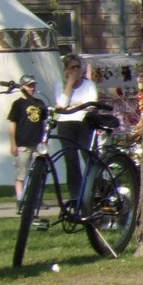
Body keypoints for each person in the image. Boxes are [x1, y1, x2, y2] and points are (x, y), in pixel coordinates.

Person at [55, 54, 98, 197]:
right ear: (66, 70)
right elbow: (62, 105)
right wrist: (69, 85)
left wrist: (74, 106)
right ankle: (75, 195)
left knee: (89, 156)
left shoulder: (89, 85)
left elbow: (91, 104)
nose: (75, 70)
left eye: (78, 67)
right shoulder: (60, 85)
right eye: (72, 68)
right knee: (71, 159)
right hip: (65, 123)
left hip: (84, 122)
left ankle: (95, 190)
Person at [8, 75, 48, 209]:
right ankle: (20, 200)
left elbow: (44, 122)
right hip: (23, 144)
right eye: (29, 86)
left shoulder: (39, 103)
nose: (32, 88)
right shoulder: (18, 104)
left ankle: (36, 199)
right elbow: (12, 123)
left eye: (33, 85)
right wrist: (13, 143)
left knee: (38, 173)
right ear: (23, 87)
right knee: (22, 173)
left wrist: (44, 141)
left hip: (38, 144)